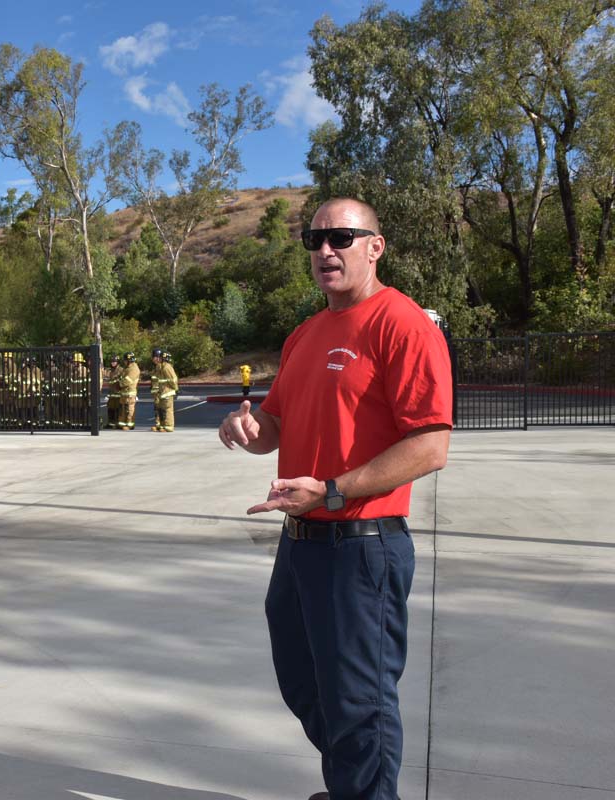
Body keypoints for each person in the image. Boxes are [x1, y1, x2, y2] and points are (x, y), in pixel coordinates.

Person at [218, 198, 452, 800]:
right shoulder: (304, 335)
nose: (325, 249)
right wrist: (247, 432)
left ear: (374, 246)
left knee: (359, 702)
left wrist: (333, 490)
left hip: (363, 546)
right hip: (300, 546)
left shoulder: (401, 323)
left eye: (342, 237)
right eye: (314, 239)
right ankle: (356, 785)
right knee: (304, 683)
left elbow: (428, 446)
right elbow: (272, 425)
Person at [149, 349, 178, 432]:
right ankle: (162, 425)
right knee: (162, 410)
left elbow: (173, 380)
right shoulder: (160, 367)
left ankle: (168, 426)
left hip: (167, 392)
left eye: (159, 357)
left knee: (167, 410)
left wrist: (175, 389)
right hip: (161, 392)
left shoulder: (166, 367)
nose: (158, 359)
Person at [117, 352, 140, 430]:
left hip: (130, 393)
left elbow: (128, 380)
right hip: (124, 392)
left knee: (129, 409)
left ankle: (130, 424)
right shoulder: (127, 368)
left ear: (129, 360)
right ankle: (122, 424)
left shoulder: (134, 369)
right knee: (122, 409)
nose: (124, 362)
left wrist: (119, 384)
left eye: (125, 360)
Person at [104, 356, 121, 429]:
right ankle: (110, 423)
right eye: (112, 362)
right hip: (111, 393)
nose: (113, 363)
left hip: (118, 393)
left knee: (118, 409)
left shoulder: (121, 370)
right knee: (110, 408)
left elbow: (121, 380)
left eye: (114, 362)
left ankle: (117, 423)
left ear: (117, 362)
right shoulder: (110, 370)